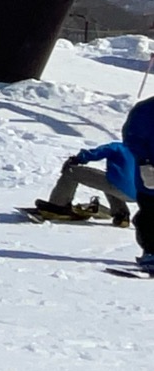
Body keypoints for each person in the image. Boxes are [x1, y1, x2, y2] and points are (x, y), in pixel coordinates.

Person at [35, 97, 154, 267]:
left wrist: (78, 158)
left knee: (75, 173)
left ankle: (58, 206)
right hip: (138, 191)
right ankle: (121, 214)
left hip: (142, 183)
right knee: (112, 180)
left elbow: (96, 153)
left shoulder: (120, 145)